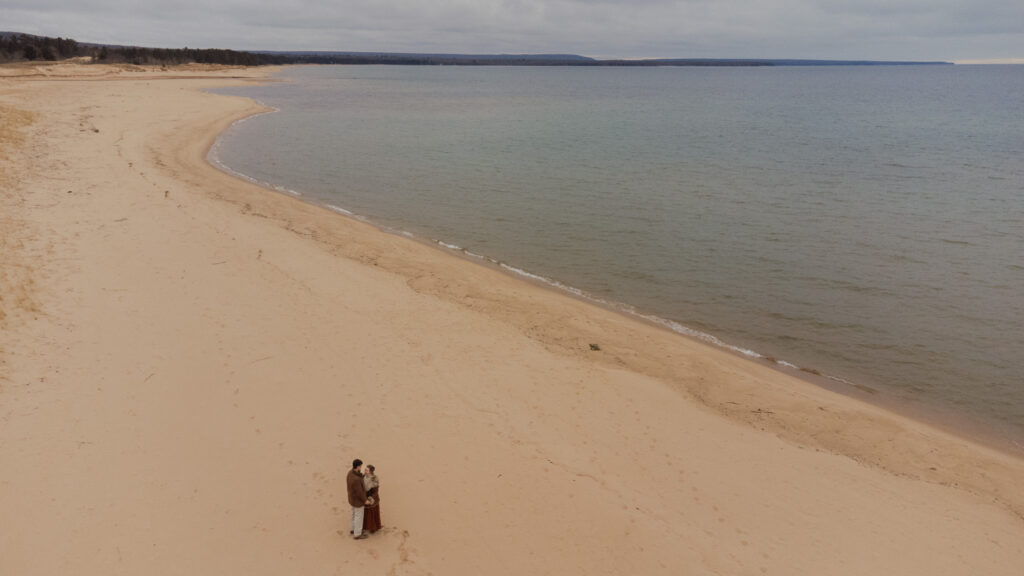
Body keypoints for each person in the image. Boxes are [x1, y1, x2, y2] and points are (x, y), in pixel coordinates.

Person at [347, 458, 370, 540]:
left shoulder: (350, 473)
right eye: (361, 466)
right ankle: (357, 534)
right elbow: (359, 492)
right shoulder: (356, 479)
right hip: (357, 501)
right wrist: (365, 500)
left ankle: (353, 529)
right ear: (358, 466)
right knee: (358, 517)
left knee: (353, 514)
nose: (361, 467)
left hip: (352, 499)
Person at [362, 464, 382, 534]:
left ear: (370, 471)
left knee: (372, 514)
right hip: (365, 497)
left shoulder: (374, 479)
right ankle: (365, 526)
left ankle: (373, 528)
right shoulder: (363, 476)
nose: (365, 471)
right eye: (365, 469)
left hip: (372, 499)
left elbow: (375, 492)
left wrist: (370, 499)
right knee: (366, 513)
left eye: (366, 470)